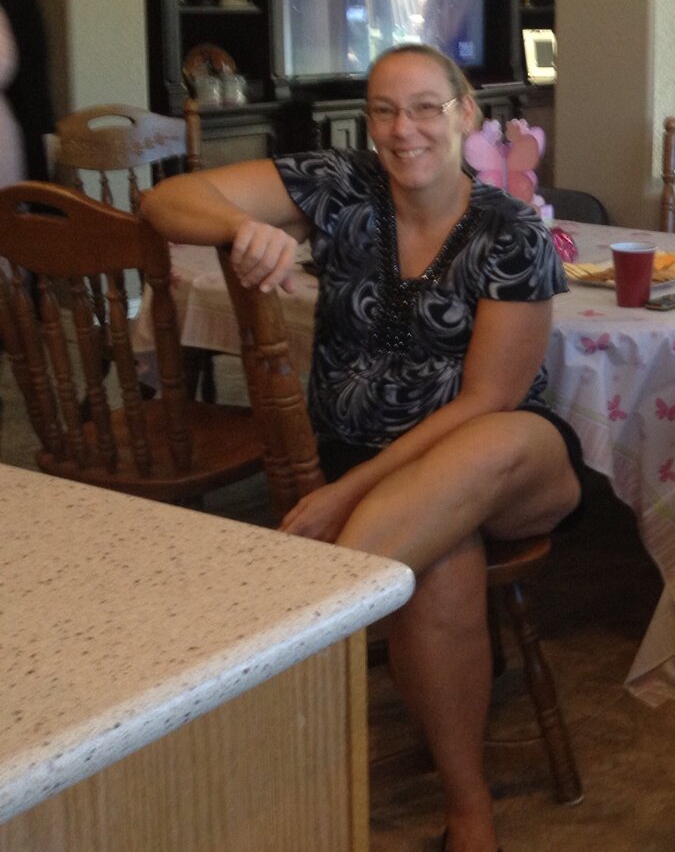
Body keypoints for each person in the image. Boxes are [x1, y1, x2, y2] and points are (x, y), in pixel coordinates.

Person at [142, 42, 583, 852]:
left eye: (425, 107)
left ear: (466, 115)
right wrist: (243, 227)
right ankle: (470, 813)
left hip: (511, 462)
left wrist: (343, 496)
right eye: (384, 111)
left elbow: (488, 399)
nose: (403, 128)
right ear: (368, 123)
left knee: (487, 444)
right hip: (374, 464)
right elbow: (165, 200)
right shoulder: (340, 185)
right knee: (441, 568)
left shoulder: (510, 230)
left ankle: (263, 646)